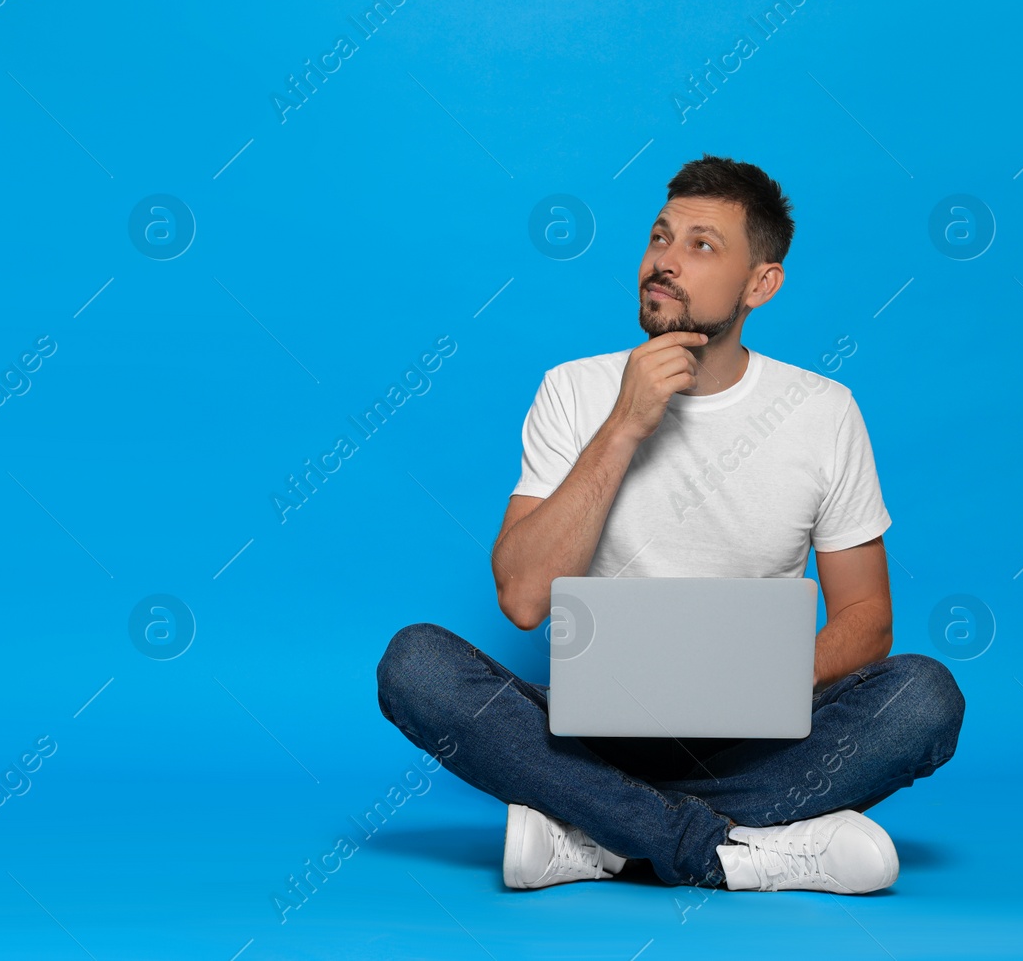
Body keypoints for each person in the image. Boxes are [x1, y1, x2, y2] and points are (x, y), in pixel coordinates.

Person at [375, 154, 964, 895]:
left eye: (701, 245)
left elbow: (867, 617)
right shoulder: (574, 389)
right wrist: (624, 424)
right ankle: (738, 850)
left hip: (760, 744)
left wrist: (765, 680)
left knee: (926, 697)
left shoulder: (824, 411)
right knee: (415, 665)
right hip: (593, 741)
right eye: (660, 237)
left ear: (761, 284)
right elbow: (522, 598)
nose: (665, 261)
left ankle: (602, 838)